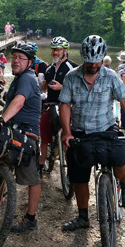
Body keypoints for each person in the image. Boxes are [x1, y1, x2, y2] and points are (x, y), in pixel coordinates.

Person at [59, 35, 125, 232]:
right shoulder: (71, 77)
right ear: (83, 57)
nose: (93, 64)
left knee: (121, 157)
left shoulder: (111, 76)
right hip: (80, 131)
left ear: (102, 57)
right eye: (89, 61)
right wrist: (67, 133)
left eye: (97, 60)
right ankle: (83, 216)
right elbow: (65, 105)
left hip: (106, 128)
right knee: (79, 177)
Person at [0, 43, 42, 233]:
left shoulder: (27, 79)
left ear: (30, 62)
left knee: (32, 178)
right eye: (15, 57)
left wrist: (1, 120)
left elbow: (19, 102)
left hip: (27, 132)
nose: (16, 61)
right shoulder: (20, 78)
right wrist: (0, 121)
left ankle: (30, 219)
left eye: (21, 58)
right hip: (12, 127)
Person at [39, 36, 77, 174]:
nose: (55, 52)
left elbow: (81, 90)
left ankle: (70, 170)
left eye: (58, 50)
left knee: (68, 137)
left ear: (65, 51)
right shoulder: (49, 69)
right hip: (51, 106)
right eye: (53, 49)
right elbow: (44, 89)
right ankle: (41, 163)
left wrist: (62, 88)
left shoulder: (73, 68)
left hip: (67, 106)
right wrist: (42, 85)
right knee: (42, 130)